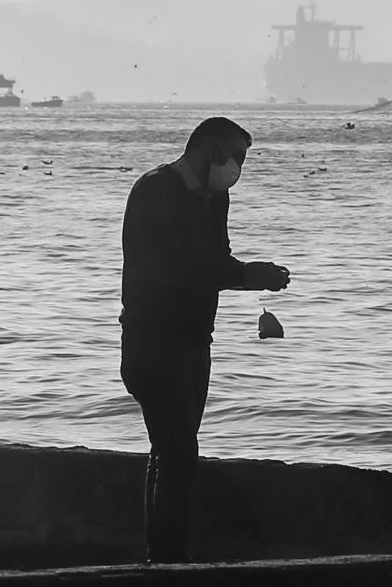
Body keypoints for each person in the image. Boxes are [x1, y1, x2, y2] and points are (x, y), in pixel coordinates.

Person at [119, 116, 291, 563]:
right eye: (235, 156)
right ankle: (167, 559)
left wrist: (250, 273)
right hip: (152, 342)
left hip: (196, 341)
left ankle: (163, 554)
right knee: (177, 452)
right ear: (209, 148)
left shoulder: (215, 198)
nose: (237, 167)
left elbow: (216, 259)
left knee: (174, 451)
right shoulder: (155, 191)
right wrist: (248, 277)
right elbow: (183, 268)